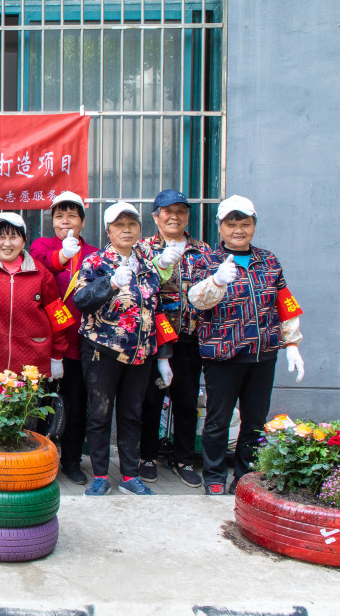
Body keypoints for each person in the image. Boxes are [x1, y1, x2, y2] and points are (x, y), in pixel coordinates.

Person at [188, 195, 306, 496]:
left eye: (245, 223)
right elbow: (196, 301)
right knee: (218, 421)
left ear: (254, 225)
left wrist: (292, 344)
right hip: (223, 355)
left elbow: (284, 302)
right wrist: (216, 281)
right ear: (220, 226)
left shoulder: (269, 260)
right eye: (231, 223)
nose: (238, 229)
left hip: (262, 355)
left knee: (254, 422)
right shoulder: (205, 261)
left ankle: (245, 477)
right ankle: (214, 476)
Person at [73, 202, 177, 497]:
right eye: (119, 225)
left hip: (141, 354)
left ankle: (130, 475)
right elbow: (81, 300)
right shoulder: (95, 262)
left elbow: (156, 310)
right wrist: (110, 283)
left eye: (132, 224)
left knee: (132, 414)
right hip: (102, 350)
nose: (126, 230)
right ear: (108, 230)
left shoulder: (148, 265)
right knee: (100, 413)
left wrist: (164, 356)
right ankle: (100, 475)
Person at [138, 189, 209, 488]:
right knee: (150, 400)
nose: (174, 216)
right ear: (156, 216)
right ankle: (147, 457)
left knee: (186, 400)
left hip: (189, 338)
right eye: (168, 211)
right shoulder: (143, 249)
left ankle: (184, 459)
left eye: (181, 211)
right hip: (152, 338)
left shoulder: (202, 250)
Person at [28, 191, 99, 485]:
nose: (65, 221)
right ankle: (37, 459)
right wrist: (63, 256)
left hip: (79, 343)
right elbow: (42, 266)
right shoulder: (41, 245)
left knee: (75, 404)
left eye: (72, 215)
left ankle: (71, 460)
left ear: (82, 220)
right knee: (38, 405)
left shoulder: (95, 253)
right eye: (59, 216)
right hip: (44, 343)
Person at [0, 212, 69, 377]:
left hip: (30, 363)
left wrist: (57, 356)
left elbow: (59, 318)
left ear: (24, 241)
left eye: (14, 237)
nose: (7, 243)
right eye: (1, 237)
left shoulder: (42, 274)